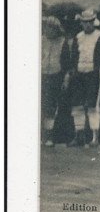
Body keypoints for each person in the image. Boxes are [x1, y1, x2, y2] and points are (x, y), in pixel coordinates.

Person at [65, 9, 100, 147]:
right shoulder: (78, 37)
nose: (87, 25)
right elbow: (73, 56)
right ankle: (79, 135)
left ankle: (95, 137)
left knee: (93, 105)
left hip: (94, 74)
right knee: (77, 104)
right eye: (85, 22)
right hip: (79, 73)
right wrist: (72, 71)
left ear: (94, 22)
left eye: (90, 22)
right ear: (81, 23)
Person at [41, 15, 69, 146]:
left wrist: (65, 78)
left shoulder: (62, 42)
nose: (47, 30)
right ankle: (42, 136)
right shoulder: (41, 40)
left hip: (55, 75)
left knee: (52, 106)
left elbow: (66, 62)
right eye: (46, 27)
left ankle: (50, 136)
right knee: (41, 105)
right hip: (42, 74)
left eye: (51, 28)